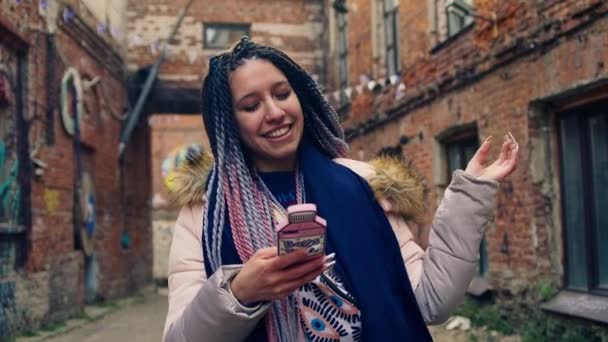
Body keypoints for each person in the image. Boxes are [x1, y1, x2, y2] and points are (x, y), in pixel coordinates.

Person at [162, 37, 519, 342]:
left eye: (282, 94)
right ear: (229, 123)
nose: (274, 112)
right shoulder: (205, 212)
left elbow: (430, 302)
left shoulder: (360, 184)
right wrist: (240, 293)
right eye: (251, 106)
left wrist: (468, 198)